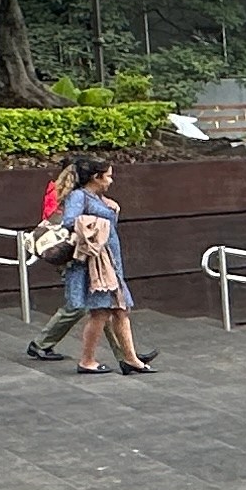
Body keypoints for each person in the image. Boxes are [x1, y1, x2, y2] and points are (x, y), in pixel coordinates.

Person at [62, 153, 153, 375]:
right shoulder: (78, 197)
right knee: (100, 312)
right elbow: (69, 222)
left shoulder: (97, 199)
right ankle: (87, 360)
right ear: (96, 177)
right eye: (108, 176)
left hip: (110, 262)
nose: (111, 181)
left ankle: (131, 359)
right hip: (96, 266)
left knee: (121, 309)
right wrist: (100, 221)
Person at [24, 154, 96, 363]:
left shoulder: (60, 190)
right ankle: (41, 343)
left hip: (71, 253)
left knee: (102, 305)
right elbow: (58, 221)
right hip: (70, 254)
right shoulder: (70, 194)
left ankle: (127, 355)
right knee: (80, 305)